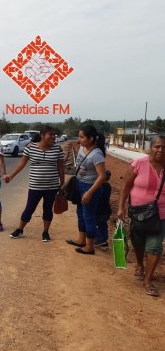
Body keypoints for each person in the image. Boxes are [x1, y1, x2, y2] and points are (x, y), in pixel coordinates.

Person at [117, 135, 165, 297]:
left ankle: (147, 280)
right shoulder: (138, 164)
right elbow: (125, 187)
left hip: (161, 215)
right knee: (138, 242)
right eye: (157, 146)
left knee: (155, 246)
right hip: (138, 213)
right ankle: (139, 264)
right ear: (150, 148)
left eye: (164, 147)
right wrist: (120, 208)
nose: (160, 150)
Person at [3, 126, 65, 242]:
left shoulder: (58, 149)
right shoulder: (30, 148)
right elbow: (21, 165)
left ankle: (45, 232)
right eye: (50, 135)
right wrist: (11, 176)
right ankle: (20, 230)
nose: (53, 137)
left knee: (47, 209)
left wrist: (62, 184)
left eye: (54, 135)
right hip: (35, 186)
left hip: (51, 187)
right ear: (42, 135)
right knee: (29, 208)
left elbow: (61, 168)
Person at [65, 125, 106, 255]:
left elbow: (102, 176)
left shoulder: (97, 154)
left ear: (91, 138)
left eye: (82, 137)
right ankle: (81, 240)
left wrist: (89, 192)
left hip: (90, 187)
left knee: (89, 217)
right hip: (80, 184)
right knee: (80, 214)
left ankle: (90, 246)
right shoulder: (83, 148)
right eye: (79, 136)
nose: (79, 139)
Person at [94, 170, 112, 250]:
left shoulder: (100, 186)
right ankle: (104, 240)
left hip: (100, 210)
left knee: (93, 223)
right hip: (106, 210)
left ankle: (100, 239)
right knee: (103, 225)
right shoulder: (108, 186)